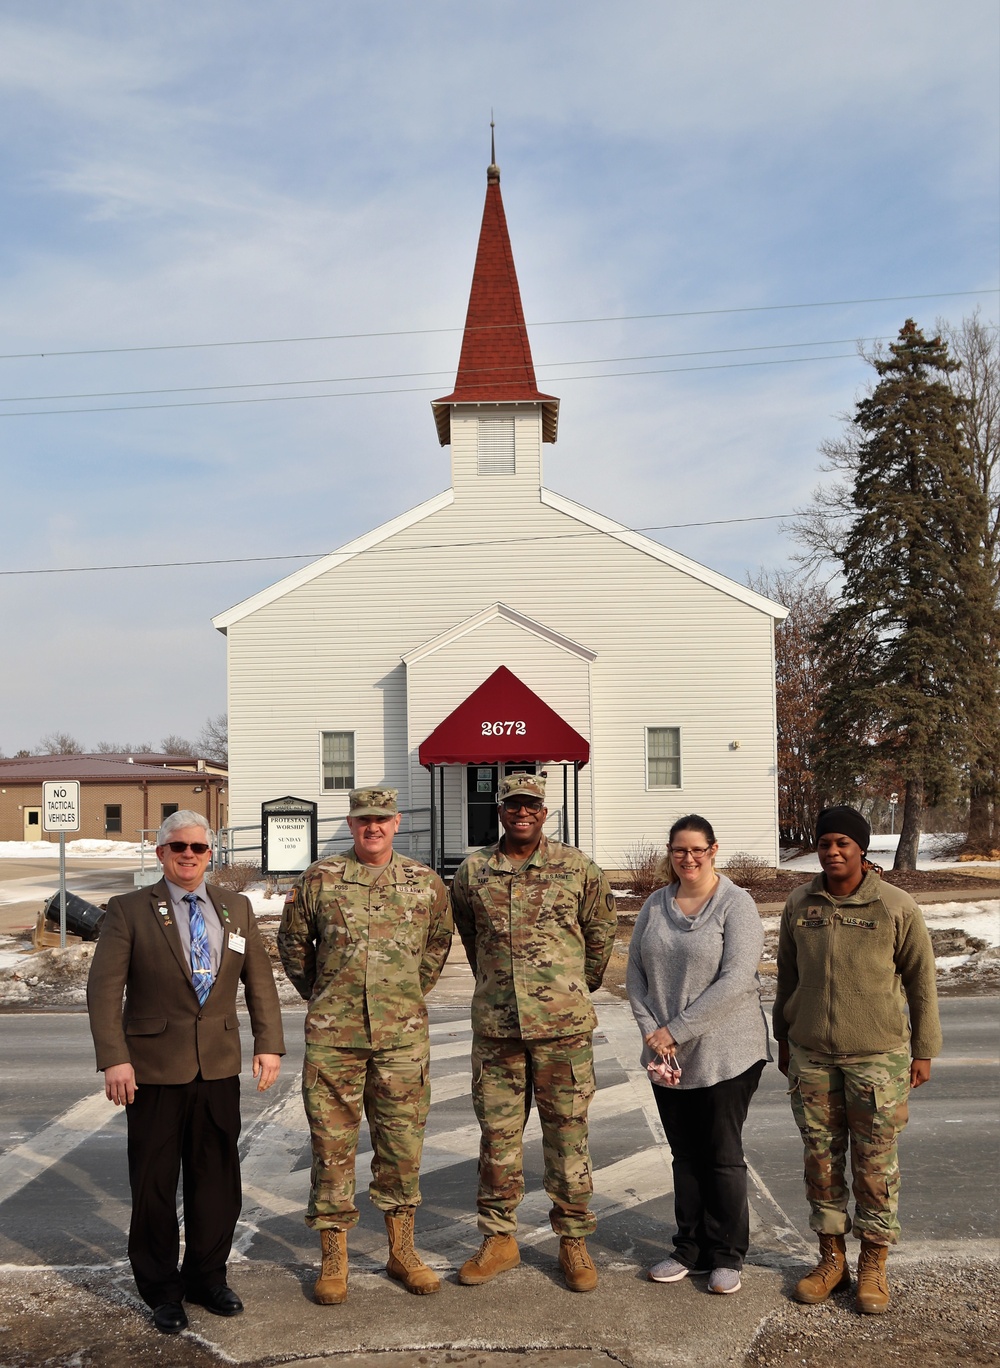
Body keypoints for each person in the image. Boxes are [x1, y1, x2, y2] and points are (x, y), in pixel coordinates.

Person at [87, 810, 284, 1335]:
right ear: (161, 853)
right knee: (153, 1183)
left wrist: (269, 1044)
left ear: (209, 853)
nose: (189, 855)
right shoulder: (129, 910)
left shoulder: (236, 907)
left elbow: (259, 982)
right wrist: (114, 1057)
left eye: (198, 847)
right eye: (179, 847)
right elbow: (104, 990)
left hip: (217, 1066)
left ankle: (206, 1277)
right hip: (151, 1070)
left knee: (217, 1180)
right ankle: (161, 1289)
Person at [277, 787, 453, 1304]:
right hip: (335, 1039)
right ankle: (334, 1257)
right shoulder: (320, 878)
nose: (372, 827)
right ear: (351, 824)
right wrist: (323, 996)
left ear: (396, 823)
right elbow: (293, 943)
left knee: (401, 1147)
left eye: (381, 819)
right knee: (331, 1147)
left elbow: (438, 945)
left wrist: (406, 993)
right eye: (362, 820)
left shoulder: (423, 882)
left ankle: (402, 1251)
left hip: (402, 1038)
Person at [451, 772, 617, 1293]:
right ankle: (500, 1238)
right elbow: (470, 934)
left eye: (532, 805)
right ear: (499, 810)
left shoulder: (578, 868)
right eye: (512, 805)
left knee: (567, 1137)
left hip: (562, 1031)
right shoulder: (474, 871)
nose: (522, 812)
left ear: (546, 811)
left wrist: (570, 987)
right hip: (498, 1030)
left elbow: (600, 934)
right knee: (498, 1139)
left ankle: (572, 1239)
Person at [773, 805, 942, 1314]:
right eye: (825, 842)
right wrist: (783, 1038)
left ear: (862, 849)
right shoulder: (801, 902)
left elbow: (922, 982)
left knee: (875, 1166)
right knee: (821, 1161)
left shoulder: (895, 906)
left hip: (878, 1059)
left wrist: (924, 1049)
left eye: (843, 842)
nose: (832, 851)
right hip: (812, 1056)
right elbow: (787, 976)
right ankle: (831, 1259)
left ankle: (873, 1264)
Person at [626, 814, 769, 1296]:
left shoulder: (736, 904)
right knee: (685, 1155)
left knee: (721, 1155)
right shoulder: (654, 904)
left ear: (713, 850)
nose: (688, 858)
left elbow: (735, 981)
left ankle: (727, 1254)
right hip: (666, 1054)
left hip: (726, 1051)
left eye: (697, 850)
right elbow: (634, 973)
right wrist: (653, 1032)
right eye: (679, 850)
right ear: (669, 853)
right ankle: (689, 1248)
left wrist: (676, 1030)